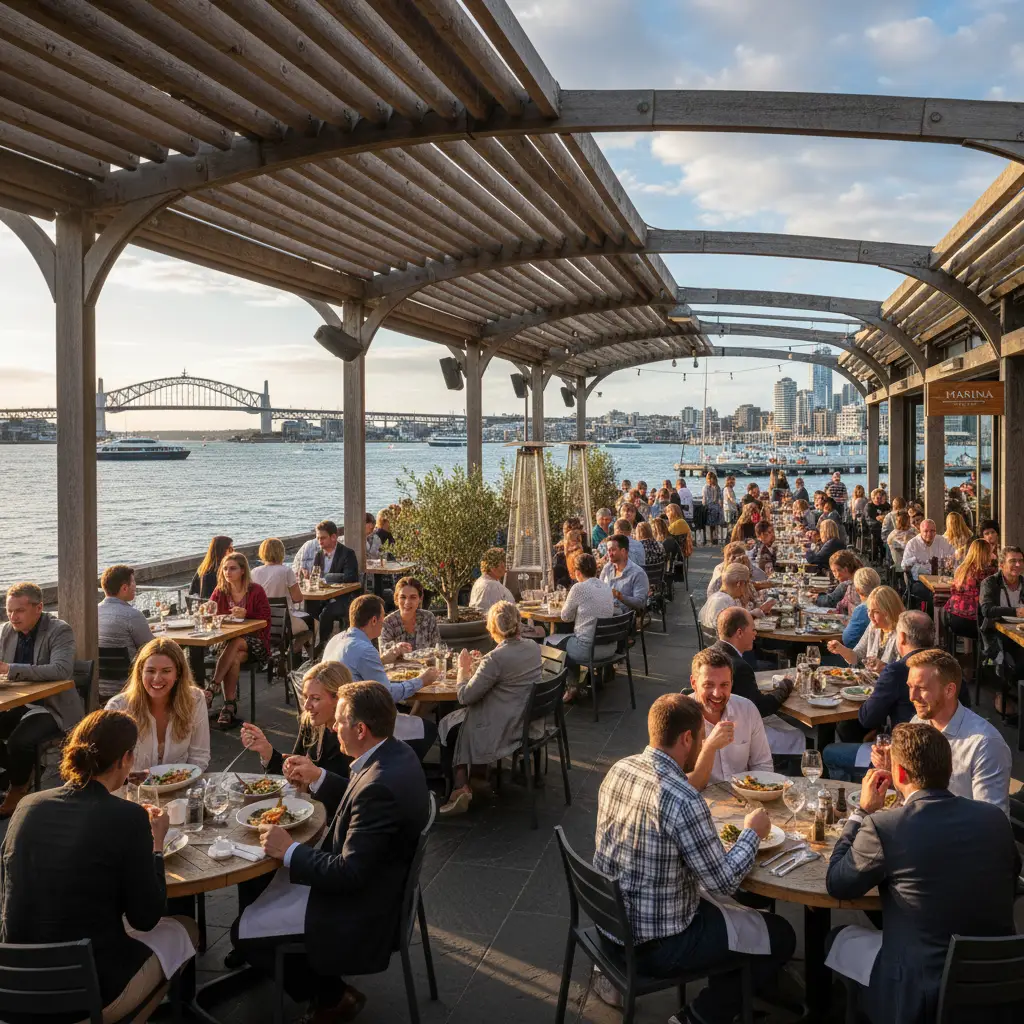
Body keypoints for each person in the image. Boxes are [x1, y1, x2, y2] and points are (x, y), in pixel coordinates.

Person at [592, 693, 795, 1022]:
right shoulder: (684, 800)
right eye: (702, 738)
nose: (704, 745)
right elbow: (725, 881)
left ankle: (736, 994)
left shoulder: (621, 768)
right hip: (656, 945)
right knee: (780, 934)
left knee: (736, 918)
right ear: (687, 738)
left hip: (610, 924)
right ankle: (698, 1016)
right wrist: (752, 833)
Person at [234, 681, 429, 1023]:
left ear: (361, 728)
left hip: (366, 909)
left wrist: (290, 849)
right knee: (260, 888)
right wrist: (319, 776)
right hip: (384, 883)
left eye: (339, 721)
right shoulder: (395, 753)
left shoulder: (379, 787)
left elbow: (349, 873)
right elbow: (359, 797)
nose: (333, 727)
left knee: (243, 931)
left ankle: (333, 998)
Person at [0, 708, 199, 1019]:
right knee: (185, 930)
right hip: (87, 995)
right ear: (126, 759)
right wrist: (156, 845)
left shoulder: (27, 805)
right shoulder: (128, 817)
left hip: (13, 986)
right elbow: (147, 916)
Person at [824, 723, 1019, 1024]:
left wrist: (861, 813)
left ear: (900, 774)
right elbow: (1011, 875)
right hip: (999, 978)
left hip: (921, 993)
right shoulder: (994, 818)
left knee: (838, 938)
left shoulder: (885, 826)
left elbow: (837, 882)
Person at [872, 649, 1012, 811]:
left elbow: (992, 823)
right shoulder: (919, 722)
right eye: (910, 687)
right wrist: (894, 770)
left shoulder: (985, 745)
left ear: (949, 690)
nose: (912, 696)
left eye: (922, 688)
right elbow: (914, 792)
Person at [438, 601, 543, 815]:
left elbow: (465, 696)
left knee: (449, 725)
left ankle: (460, 787)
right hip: (525, 719)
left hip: (503, 727)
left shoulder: (496, 658)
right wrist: (482, 663)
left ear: (492, 628)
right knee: (463, 719)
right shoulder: (532, 648)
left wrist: (463, 669)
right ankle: (477, 775)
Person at [323, 595, 439, 761]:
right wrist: (422, 680)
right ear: (374, 620)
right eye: (383, 617)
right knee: (429, 729)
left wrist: (387, 657)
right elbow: (388, 694)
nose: (384, 622)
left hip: (338, 715)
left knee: (413, 718)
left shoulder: (337, 639)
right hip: (363, 720)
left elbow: (357, 666)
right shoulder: (364, 649)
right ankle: (399, 769)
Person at [0, 582, 81, 817]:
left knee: (19, 742)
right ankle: (20, 772)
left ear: (39, 608)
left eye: (19, 611)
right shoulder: (7, 631)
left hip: (52, 706)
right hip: (19, 701)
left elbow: (61, 670)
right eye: (9, 610)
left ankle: (17, 788)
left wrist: (11, 668)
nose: (13, 617)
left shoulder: (59, 630)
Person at [823, 610, 934, 781]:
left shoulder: (897, 670)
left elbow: (867, 718)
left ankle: (856, 799)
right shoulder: (947, 666)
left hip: (903, 756)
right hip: (939, 753)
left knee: (830, 752)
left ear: (902, 637)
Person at [239, 661, 353, 813]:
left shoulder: (354, 735)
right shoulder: (311, 722)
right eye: (305, 697)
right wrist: (266, 751)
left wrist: (318, 776)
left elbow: (359, 795)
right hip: (305, 811)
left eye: (316, 698)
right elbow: (295, 772)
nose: (306, 706)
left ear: (338, 699)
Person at [106, 637, 210, 771]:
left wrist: (181, 782)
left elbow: (199, 756)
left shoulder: (195, 699)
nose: (157, 678)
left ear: (178, 673)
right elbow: (111, 767)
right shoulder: (117, 708)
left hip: (181, 786)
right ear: (140, 672)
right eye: (150, 671)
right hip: (133, 789)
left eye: (166, 671)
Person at [685, 647, 775, 790]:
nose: (717, 693)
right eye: (709, 685)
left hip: (745, 799)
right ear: (694, 683)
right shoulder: (680, 717)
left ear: (732, 683)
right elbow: (676, 783)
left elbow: (762, 765)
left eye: (724, 685)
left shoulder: (747, 709)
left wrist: (759, 796)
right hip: (700, 802)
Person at [207, 552, 272, 729]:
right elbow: (209, 610)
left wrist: (247, 614)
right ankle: (229, 705)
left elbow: (266, 618)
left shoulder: (255, 590)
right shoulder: (220, 591)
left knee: (235, 643)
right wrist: (207, 611)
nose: (228, 572)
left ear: (243, 570)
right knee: (234, 656)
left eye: (233, 568)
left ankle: (212, 687)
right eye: (225, 568)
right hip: (226, 642)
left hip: (256, 642)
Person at [549, 552, 615, 698]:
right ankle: (584, 682)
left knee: (551, 642)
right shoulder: (606, 587)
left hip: (590, 650)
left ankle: (570, 687)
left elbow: (565, 617)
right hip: (610, 647)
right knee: (572, 639)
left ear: (578, 572)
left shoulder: (578, 588)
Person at [710, 607, 795, 716]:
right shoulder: (739, 667)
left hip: (712, 725)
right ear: (740, 633)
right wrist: (786, 685)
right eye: (753, 630)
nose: (755, 634)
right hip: (738, 729)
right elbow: (760, 709)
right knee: (798, 733)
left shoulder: (706, 655)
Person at [292, 520, 361, 648]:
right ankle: (309, 647)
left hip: (344, 598)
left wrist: (327, 578)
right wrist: (308, 577)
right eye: (318, 538)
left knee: (326, 613)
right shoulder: (319, 554)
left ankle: (323, 646)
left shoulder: (347, 553)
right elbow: (316, 576)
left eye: (323, 538)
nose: (319, 541)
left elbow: (351, 577)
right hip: (324, 596)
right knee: (309, 609)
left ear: (334, 537)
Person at [827, 585, 904, 670]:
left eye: (876, 612)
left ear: (889, 612)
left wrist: (883, 668)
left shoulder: (901, 634)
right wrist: (841, 649)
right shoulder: (873, 626)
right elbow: (856, 657)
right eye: (869, 610)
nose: (870, 615)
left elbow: (903, 672)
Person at [251, 537, 311, 639]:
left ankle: (289, 651)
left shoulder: (254, 572)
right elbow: (298, 599)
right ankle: (295, 652)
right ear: (281, 552)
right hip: (284, 621)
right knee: (312, 623)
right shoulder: (286, 571)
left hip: (262, 621)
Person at [945, 538, 997, 656]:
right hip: (973, 622)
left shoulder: (961, 569)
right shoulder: (988, 572)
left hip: (953, 619)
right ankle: (990, 664)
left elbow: (952, 590)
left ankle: (970, 658)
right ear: (986, 553)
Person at [97, 564, 152, 659]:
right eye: (134, 582)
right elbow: (151, 648)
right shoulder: (133, 615)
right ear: (125, 588)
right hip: (131, 673)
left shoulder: (93, 612)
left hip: (99, 672)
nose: (135, 587)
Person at [902, 519, 956, 613]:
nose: (929, 534)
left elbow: (954, 556)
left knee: (953, 591)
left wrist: (950, 561)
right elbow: (904, 565)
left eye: (932, 531)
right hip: (918, 581)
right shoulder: (913, 544)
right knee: (933, 594)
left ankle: (946, 618)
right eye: (926, 531)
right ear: (920, 531)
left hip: (940, 579)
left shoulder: (942, 540)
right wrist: (916, 560)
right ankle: (931, 618)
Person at [701, 563, 774, 628]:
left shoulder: (715, 596)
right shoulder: (727, 601)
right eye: (747, 583)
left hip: (710, 642)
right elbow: (735, 629)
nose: (748, 587)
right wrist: (752, 614)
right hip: (727, 642)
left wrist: (751, 613)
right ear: (739, 584)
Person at [380, 576, 440, 652]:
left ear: (420, 599)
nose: (407, 602)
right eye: (403, 597)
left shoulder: (428, 618)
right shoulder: (388, 623)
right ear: (396, 599)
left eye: (413, 597)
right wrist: (396, 650)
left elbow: (437, 650)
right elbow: (383, 658)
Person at [599, 535, 649, 616]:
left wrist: (620, 596)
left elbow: (640, 603)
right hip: (605, 612)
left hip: (624, 619)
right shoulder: (607, 568)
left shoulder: (638, 573)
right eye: (608, 550)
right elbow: (599, 588)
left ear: (623, 551)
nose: (609, 554)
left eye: (613, 550)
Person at [842, 567, 882, 648]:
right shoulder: (886, 602)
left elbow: (848, 640)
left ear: (858, 590)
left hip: (863, 655)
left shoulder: (862, 609)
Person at [468, 547, 515, 613]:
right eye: (502, 564)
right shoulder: (491, 585)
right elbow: (506, 610)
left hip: (482, 621)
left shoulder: (480, 581)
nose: (505, 568)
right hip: (492, 621)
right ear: (492, 567)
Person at [189, 535, 233, 600]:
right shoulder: (224, 571)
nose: (233, 552)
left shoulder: (203, 569)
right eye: (230, 549)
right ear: (221, 550)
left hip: (205, 605)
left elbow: (192, 591)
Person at [702, 471, 724, 544]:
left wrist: (704, 505)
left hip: (710, 508)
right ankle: (715, 538)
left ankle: (710, 539)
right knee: (715, 525)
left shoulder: (706, 487)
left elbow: (704, 499)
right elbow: (721, 498)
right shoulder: (717, 487)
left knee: (710, 525)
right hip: (716, 508)